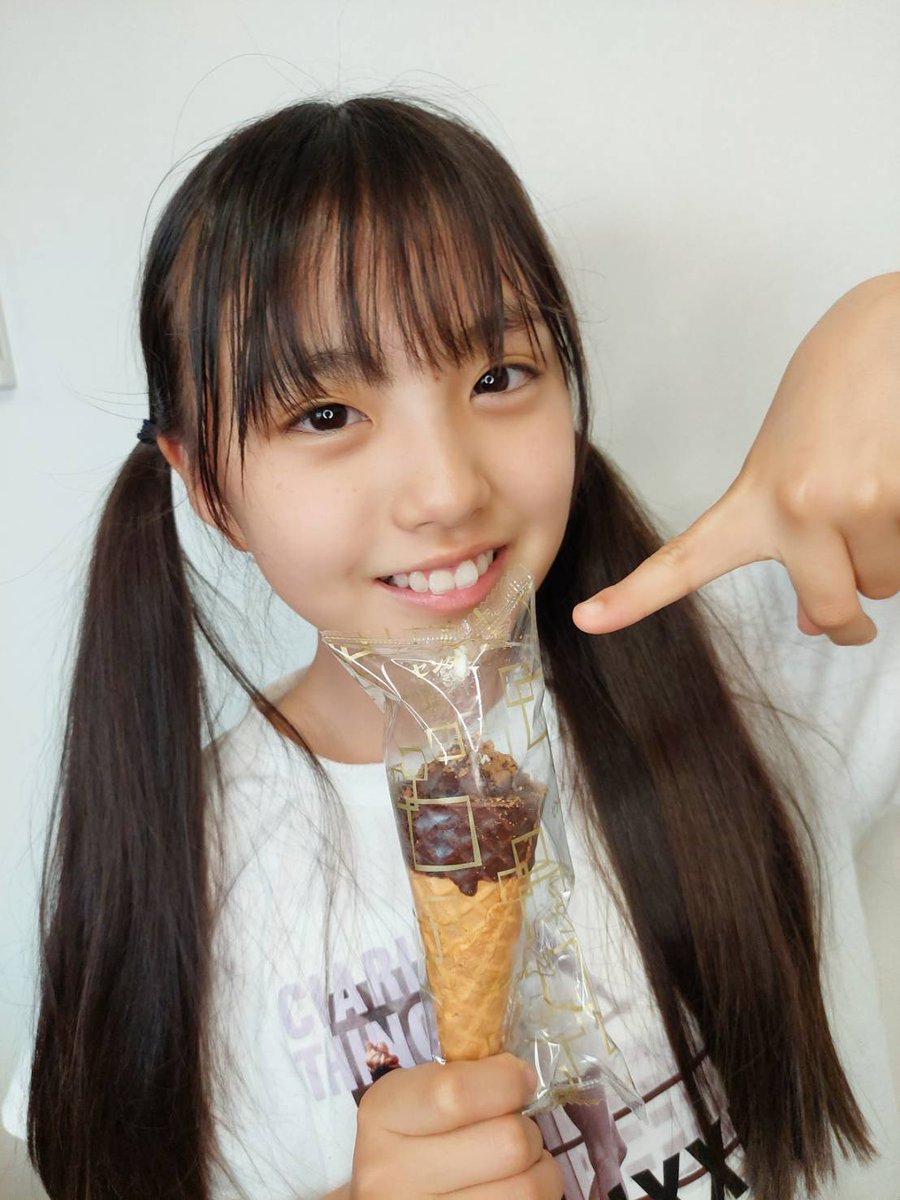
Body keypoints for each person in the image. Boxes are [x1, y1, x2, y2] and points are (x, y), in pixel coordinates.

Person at [2, 94, 898, 1200]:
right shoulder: (185, 872)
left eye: (497, 377)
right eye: (324, 415)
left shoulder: (761, 644)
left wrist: (880, 321)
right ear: (208, 487)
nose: (446, 490)